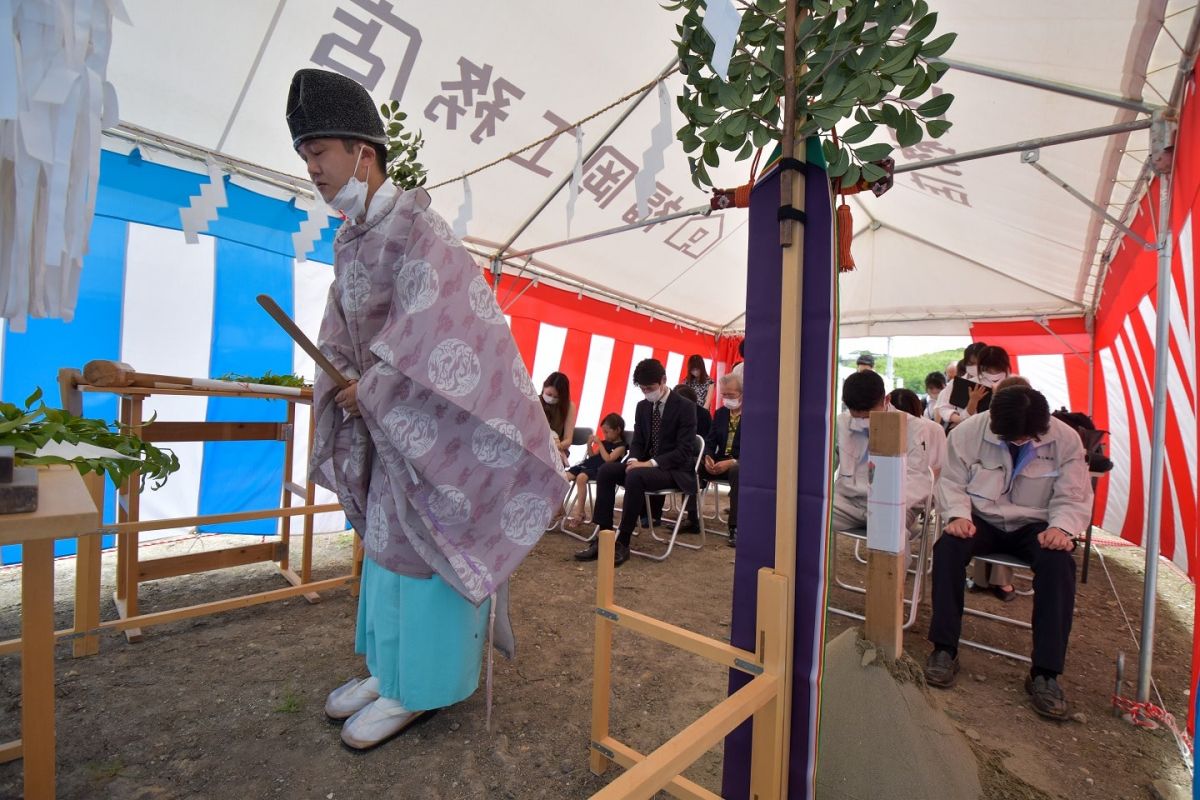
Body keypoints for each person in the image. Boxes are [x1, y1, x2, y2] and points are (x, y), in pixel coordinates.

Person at [290, 69, 564, 749]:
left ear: (364, 152)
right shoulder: (352, 239)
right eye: (306, 157)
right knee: (385, 553)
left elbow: (444, 333)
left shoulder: (421, 228)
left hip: (438, 435)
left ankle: (424, 688)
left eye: (319, 152)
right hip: (393, 436)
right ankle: (388, 671)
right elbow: (342, 329)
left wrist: (374, 388)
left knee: (426, 555)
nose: (314, 170)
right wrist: (346, 379)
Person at [924, 386, 1091, 720]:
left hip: (1035, 525)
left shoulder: (1067, 439)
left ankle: (1045, 674)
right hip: (981, 519)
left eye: (1026, 437)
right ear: (993, 421)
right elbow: (952, 482)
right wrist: (958, 515)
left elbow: (1072, 494)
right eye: (1011, 438)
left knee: (1059, 566)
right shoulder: (969, 431)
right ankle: (943, 649)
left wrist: (1061, 528)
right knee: (947, 550)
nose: (1018, 443)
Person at [575, 359, 697, 566]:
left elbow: (684, 451)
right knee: (606, 470)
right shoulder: (643, 406)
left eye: (650, 388)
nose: (646, 393)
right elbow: (639, 441)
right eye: (642, 389)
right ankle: (604, 537)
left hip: (674, 470)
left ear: (663, 380)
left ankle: (622, 542)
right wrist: (633, 459)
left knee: (636, 475)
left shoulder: (685, 407)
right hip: (644, 466)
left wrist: (650, 463)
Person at [833, 372, 942, 534]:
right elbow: (824, 467)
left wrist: (886, 505)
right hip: (848, 502)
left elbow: (917, 478)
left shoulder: (913, 427)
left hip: (896, 505)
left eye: (869, 416)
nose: (863, 421)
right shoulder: (841, 422)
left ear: (887, 400)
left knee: (889, 531)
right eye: (857, 416)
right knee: (805, 512)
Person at [687, 372, 743, 547]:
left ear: (742, 393)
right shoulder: (720, 414)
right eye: (723, 394)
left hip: (740, 463)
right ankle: (691, 518)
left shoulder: (754, 415)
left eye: (730, 395)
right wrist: (708, 457)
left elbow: (756, 448)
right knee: (692, 464)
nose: (726, 398)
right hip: (719, 460)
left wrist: (733, 461)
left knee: (737, 471)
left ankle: (735, 527)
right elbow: (710, 440)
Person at [562, 413, 627, 526]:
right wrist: (589, 445)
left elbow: (608, 459)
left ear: (617, 430)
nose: (605, 435)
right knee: (564, 477)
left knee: (581, 478)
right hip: (589, 465)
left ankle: (580, 512)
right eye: (603, 432)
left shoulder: (621, 446)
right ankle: (557, 507)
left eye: (607, 432)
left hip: (602, 470)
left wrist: (600, 444)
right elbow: (592, 456)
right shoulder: (605, 443)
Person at [934, 343, 1007, 430]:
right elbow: (944, 408)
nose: (976, 367)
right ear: (965, 363)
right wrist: (960, 419)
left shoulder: (1000, 381)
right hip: (964, 428)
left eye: (979, 363)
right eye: (971, 363)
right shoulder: (956, 383)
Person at [541, 372, 578, 467]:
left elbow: (568, 439)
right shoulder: (535, 401)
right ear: (543, 387)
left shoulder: (569, 407)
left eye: (556, 397)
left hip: (556, 449)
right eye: (549, 394)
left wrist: (558, 446)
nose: (551, 398)